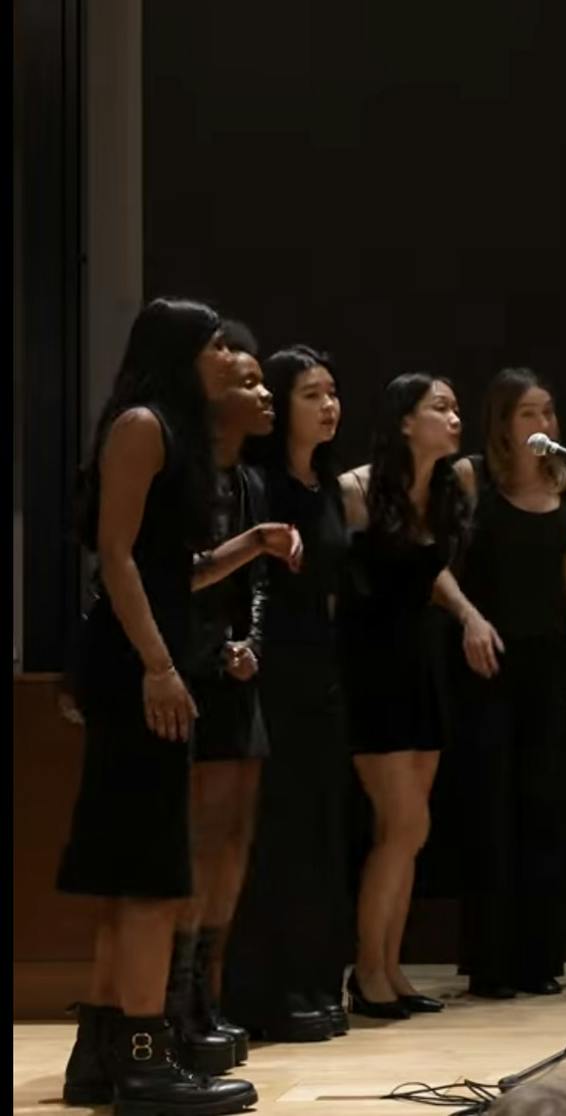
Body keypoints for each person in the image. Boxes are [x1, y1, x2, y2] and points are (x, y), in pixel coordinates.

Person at [57, 298, 284, 1114]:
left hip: (149, 657)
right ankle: (147, 1063)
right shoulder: (142, 425)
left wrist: (250, 545)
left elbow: (169, 569)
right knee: (152, 871)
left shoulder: (173, 435)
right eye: (219, 345)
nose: (231, 356)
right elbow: (115, 559)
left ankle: (104, 1057)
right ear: (183, 353)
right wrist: (158, 666)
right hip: (133, 668)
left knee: (135, 865)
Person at [443, 369, 566, 998]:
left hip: (545, 661)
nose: (543, 424)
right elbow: (437, 567)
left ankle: (539, 957)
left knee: (543, 805)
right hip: (486, 660)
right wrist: (470, 619)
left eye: (549, 412)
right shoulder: (469, 478)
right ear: (503, 423)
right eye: (529, 414)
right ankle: (491, 961)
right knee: (492, 806)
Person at [227, 345, 354, 1042]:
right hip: (269, 676)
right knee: (274, 835)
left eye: (333, 392)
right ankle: (264, 994)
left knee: (320, 832)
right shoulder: (259, 484)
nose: (329, 405)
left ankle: (314, 979)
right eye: (311, 394)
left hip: (321, 677)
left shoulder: (326, 487)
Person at [338, 372, 469, 1019]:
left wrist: (470, 615)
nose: (454, 417)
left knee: (411, 832)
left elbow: (432, 573)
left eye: (454, 408)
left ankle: (391, 966)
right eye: (439, 407)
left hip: (421, 668)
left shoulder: (441, 492)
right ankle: (365, 972)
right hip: (371, 672)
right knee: (402, 825)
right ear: (403, 422)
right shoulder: (356, 490)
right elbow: (330, 589)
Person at [170, 324, 278, 1071]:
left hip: (239, 673)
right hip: (191, 672)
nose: (263, 394)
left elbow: (257, 584)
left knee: (235, 835)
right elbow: (176, 578)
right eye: (247, 383)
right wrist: (217, 652)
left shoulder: (250, 481)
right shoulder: (185, 474)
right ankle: (174, 1002)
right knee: (198, 839)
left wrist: (252, 646)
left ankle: (208, 990)